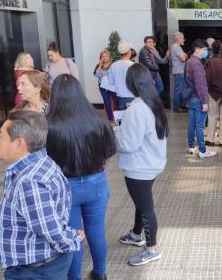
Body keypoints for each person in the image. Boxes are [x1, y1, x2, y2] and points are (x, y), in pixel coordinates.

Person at [0, 110, 84, 280]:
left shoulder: (29, 180)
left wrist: (70, 239)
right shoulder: (39, 161)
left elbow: (49, 229)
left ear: (19, 143)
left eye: (1, 136)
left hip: (36, 270)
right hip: (40, 265)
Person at [46, 75, 116, 280]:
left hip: (65, 187)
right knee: (96, 231)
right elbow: (111, 149)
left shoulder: (49, 125)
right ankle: (100, 273)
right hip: (97, 183)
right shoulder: (97, 119)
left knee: (73, 236)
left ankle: (74, 277)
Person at [114, 64, 168, 266]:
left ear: (130, 83)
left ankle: (152, 249)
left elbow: (128, 145)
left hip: (139, 167)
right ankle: (137, 234)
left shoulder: (136, 109)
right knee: (142, 201)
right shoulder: (153, 103)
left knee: (146, 207)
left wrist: (115, 133)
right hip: (152, 162)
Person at [185, 39, 217, 158]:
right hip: (198, 99)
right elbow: (200, 85)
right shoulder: (197, 64)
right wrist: (204, 101)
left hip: (191, 98)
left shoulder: (189, 61)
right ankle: (203, 151)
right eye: (204, 50)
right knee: (200, 126)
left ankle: (191, 146)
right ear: (197, 50)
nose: (205, 53)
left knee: (192, 124)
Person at [108, 41, 135, 110]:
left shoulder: (114, 65)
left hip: (118, 95)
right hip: (132, 96)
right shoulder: (133, 65)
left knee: (121, 117)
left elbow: (111, 82)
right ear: (129, 52)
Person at [94, 50, 116, 121]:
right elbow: (97, 75)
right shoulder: (99, 65)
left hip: (112, 86)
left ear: (109, 57)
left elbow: (115, 75)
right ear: (100, 58)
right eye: (103, 56)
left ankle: (117, 117)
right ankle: (110, 118)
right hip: (103, 87)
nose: (105, 58)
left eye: (106, 56)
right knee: (107, 102)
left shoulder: (113, 65)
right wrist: (100, 65)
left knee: (116, 102)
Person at [171, 32, 189, 113]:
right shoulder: (176, 47)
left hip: (179, 71)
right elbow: (184, 58)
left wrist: (185, 55)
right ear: (178, 38)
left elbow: (185, 56)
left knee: (181, 89)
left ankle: (181, 105)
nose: (184, 39)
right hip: (179, 71)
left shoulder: (177, 47)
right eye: (182, 38)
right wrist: (185, 55)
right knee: (178, 90)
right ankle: (176, 107)